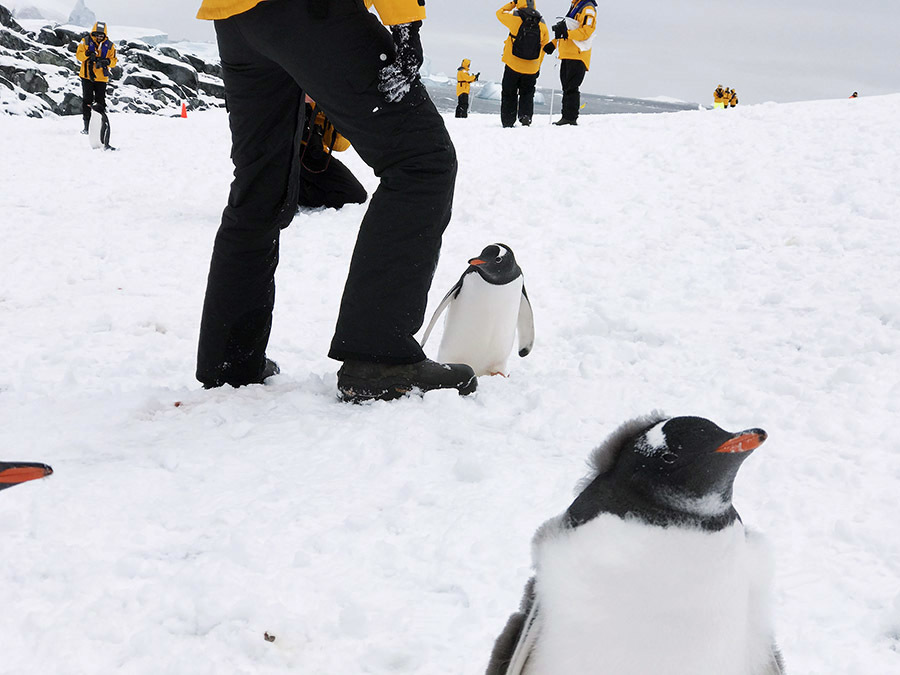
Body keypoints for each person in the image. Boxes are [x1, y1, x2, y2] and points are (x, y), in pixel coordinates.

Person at [194, 0, 477, 402]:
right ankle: (379, 356)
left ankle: (230, 359)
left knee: (259, 186)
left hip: (236, 18)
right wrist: (405, 23)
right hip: (311, 13)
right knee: (421, 160)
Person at [298, 98, 367, 210]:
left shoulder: (329, 93)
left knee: (354, 194)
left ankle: (290, 194)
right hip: (279, 149)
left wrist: (337, 116)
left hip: (308, 150)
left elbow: (338, 145)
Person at [496, 0, 551, 128]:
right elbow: (544, 45)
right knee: (527, 93)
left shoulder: (516, 17)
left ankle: (508, 121)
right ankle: (525, 117)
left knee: (509, 92)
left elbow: (499, 13)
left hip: (513, 64)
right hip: (531, 67)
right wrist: (538, 66)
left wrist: (512, 4)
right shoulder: (541, 22)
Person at [546, 0, 597, 126]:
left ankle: (570, 118)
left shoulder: (588, 8)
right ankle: (566, 116)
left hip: (578, 54)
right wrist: (553, 43)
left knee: (571, 87)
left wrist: (566, 33)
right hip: (567, 53)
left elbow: (586, 32)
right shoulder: (575, 6)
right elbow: (567, 30)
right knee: (566, 86)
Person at [75, 21, 117, 136]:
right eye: (97, 34)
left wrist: (107, 61)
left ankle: (100, 125)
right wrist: (88, 54)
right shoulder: (85, 42)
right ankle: (87, 126)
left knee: (100, 102)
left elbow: (114, 61)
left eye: (101, 35)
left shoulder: (110, 45)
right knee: (87, 100)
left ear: (105, 35)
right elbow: (79, 56)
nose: (99, 37)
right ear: (93, 33)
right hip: (87, 76)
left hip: (101, 78)